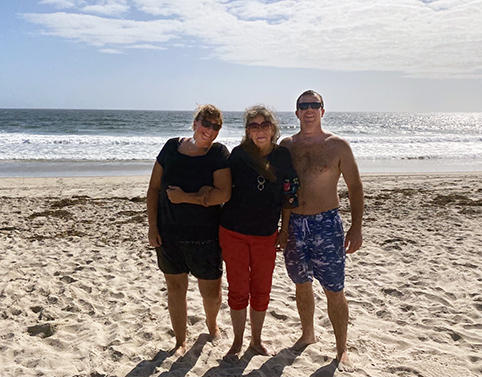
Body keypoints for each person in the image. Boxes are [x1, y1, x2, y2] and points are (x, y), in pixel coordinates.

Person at [280, 90, 363, 372]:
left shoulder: (337, 145)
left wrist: (356, 227)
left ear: (323, 111)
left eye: (314, 105)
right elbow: (278, 189)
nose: (309, 110)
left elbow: (355, 187)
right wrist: (280, 227)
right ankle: (308, 333)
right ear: (296, 112)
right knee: (301, 283)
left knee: (334, 288)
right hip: (294, 225)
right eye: (303, 106)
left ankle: (342, 349)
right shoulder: (286, 146)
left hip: (326, 223)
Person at [147, 104, 232, 356]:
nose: (210, 129)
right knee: (175, 289)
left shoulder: (218, 153)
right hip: (169, 232)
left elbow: (223, 194)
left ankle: (212, 323)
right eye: (206, 123)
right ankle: (180, 341)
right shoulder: (171, 147)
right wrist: (152, 226)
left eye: (216, 126)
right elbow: (153, 189)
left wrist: (187, 198)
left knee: (211, 292)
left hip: (205, 236)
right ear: (195, 123)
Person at [219, 104, 299, 358]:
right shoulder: (238, 155)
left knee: (262, 288)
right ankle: (238, 341)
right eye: (254, 126)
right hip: (233, 231)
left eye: (265, 125)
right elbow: (219, 187)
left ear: (273, 129)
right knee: (238, 288)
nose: (260, 130)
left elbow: (288, 197)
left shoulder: (282, 156)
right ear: (248, 131)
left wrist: (284, 230)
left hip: (266, 234)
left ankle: (256, 340)